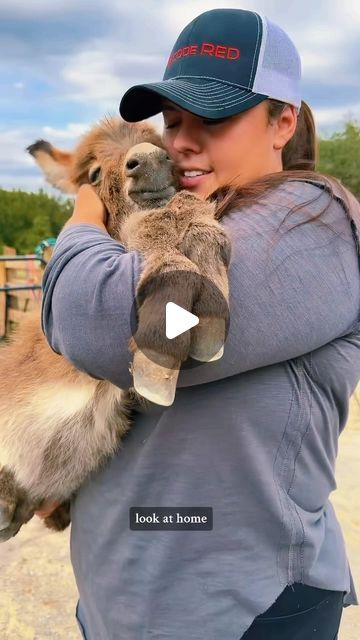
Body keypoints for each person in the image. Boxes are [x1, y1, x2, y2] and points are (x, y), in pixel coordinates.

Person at [40, 8, 360, 640]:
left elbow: (96, 327)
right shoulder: (192, 220)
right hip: (124, 594)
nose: (182, 141)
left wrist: (81, 212)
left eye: (213, 117)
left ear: (282, 120)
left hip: (238, 607)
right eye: (174, 120)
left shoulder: (310, 227)